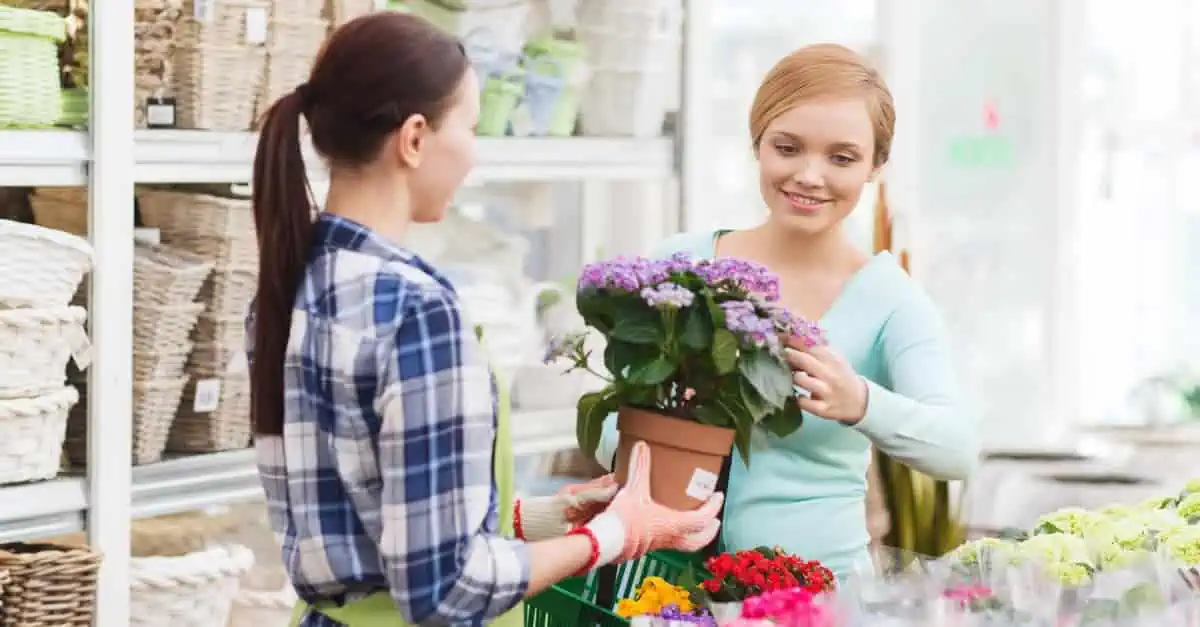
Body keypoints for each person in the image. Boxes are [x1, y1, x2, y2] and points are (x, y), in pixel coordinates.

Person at [245, 12, 723, 627]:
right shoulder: (416, 311)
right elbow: (446, 591)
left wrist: (546, 517)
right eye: (470, 129)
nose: (474, 157)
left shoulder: (288, 288)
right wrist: (614, 535)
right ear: (415, 138)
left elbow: (377, 518)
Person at [595, 43, 980, 579]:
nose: (809, 175)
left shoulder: (890, 300)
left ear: (876, 166)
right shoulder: (680, 266)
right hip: (663, 589)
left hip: (810, 597)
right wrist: (666, 416)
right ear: (758, 144)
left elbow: (957, 450)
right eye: (788, 147)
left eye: (841, 157)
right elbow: (606, 427)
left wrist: (860, 402)